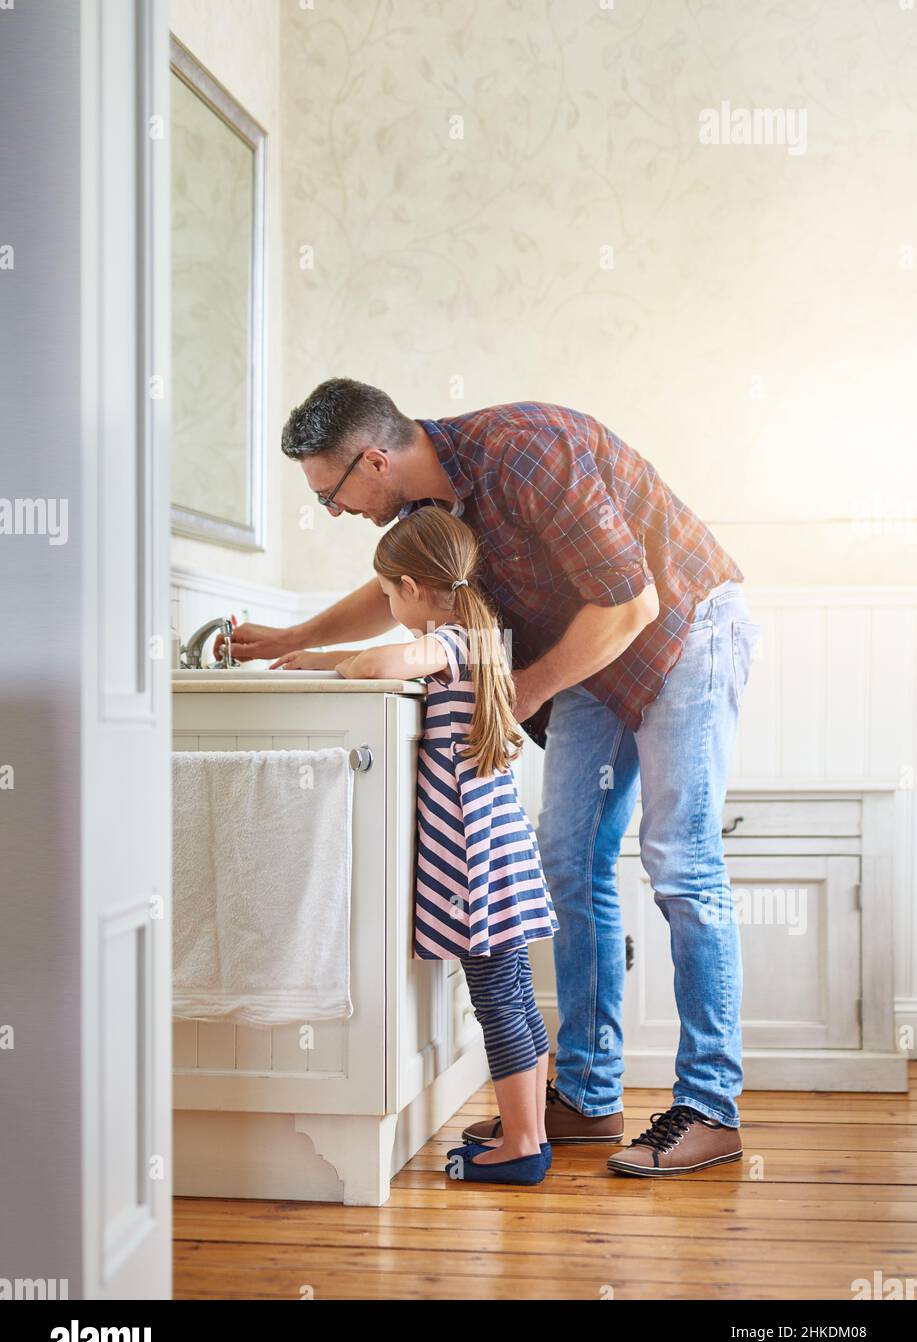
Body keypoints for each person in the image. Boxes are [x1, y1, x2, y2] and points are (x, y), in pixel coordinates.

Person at [226, 377, 760, 1178]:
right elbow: (401, 590)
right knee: (566, 863)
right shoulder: (425, 511)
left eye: (331, 492)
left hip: (683, 629)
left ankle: (711, 1108)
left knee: (679, 866)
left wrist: (520, 693)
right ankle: (585, 1094)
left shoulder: (524, 453)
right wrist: (289, 640)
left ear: (373, 459)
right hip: (591, 651)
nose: (333, 511)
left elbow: (632, 605)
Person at [273, 506, 559, 1186]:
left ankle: (520, 1144)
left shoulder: (449, 642)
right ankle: (531, 1133)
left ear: (406, 586)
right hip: (496, 842)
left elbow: (381, 662)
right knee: (513, 991)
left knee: (494, 995)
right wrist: (319, 656)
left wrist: (335, 664)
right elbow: (394, 656)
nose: (388, 606)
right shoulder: (485, 637)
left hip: (468, 852)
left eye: (386, 594)